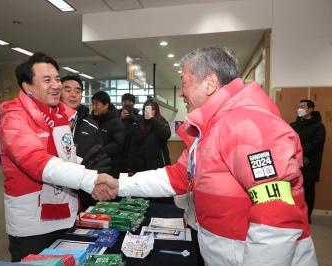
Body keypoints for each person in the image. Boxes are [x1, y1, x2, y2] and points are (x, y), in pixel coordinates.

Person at [95, 47, 317, 265]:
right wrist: (119, 184)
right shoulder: (214, 128)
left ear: (209, 83)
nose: (181, 92)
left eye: (184, 82)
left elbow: (276, 218)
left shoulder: (247, 123)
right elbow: (179, 176)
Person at [0, 52, 114, 262]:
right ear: (28, 87)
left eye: (57, 78)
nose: (56, 85)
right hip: (32, 226)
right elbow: (37, 162)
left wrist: (93, 177)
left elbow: (66, 159)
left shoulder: (61, 115)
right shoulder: (15, 118)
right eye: (46, 80)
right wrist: (91, 180)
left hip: (65, 216)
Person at [60, 74, 111, 210]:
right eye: (68, 90)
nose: (73, 94)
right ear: (58, 92)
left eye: (77, 91)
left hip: (83, 193)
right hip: (53, 190)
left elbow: (100, 160)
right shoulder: (47, 123)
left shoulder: (92, 126)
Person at [290, 99, 325, 223]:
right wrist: (298, 155)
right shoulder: (292, 125)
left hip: (310, 164)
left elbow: (316, 144)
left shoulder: (318, 126)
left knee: (308, 191)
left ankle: (307, 215)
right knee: (293, 190)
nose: (300, 109)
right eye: (299, 106)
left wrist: (300, 153)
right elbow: (288, 142)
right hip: (294, 164)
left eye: (303, 106)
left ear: (310, 109)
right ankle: (294, 215)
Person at [128, 99, 171, 173]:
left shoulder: (162, 122)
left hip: (157, 165)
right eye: (147, 109)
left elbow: (166, 135)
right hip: (140, 166)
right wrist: (131, 168)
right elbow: (133, 147)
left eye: (153, 110)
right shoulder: (139, 123)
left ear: (156, 111)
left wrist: (153, 119)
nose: (149, 112)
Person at [91, 91, 124, 177]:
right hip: (94, 164)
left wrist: (100, 150)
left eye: (97, 104)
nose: (94, 107)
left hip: (110, 167)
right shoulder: (93, 120)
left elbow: (118, 144)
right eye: (93, 104)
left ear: (106, 105)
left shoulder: (116, 122)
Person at [118, 93, 141, 173]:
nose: (127, 104)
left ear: (133, 103)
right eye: (125, 102)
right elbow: (111, 129)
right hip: (119, 152)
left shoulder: (139, 116)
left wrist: (133, 117)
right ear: (122, 103)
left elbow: (142, 131)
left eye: (129, 102)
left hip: (134, 152)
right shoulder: (116, 115)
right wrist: (120, 118)